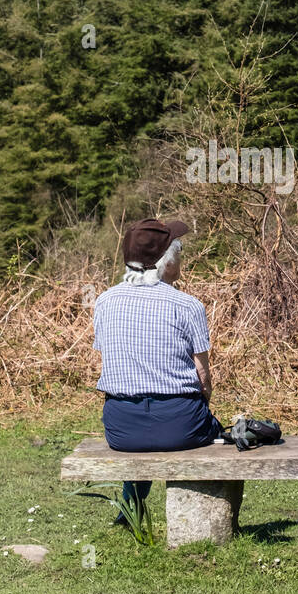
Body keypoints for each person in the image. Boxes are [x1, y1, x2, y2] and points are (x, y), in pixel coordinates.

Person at [91, 217, 224, 524]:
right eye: (177, 251)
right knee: (212, 428)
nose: (181, 256)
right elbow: (203, 376)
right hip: (181, 424)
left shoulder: (104, 301)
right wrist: (204, 403)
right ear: (165, 262)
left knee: (145, 428)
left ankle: (131, 508)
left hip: (122, 428)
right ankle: (199, 518)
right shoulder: (189, 306)